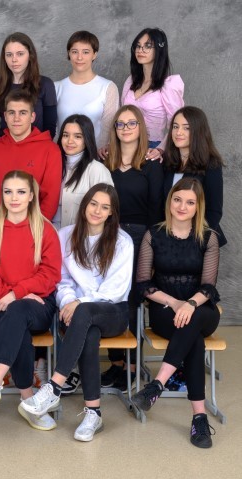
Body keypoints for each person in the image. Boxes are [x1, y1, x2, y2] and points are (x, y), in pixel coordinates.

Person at [20, 184, 133, 442]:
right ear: (85, 205)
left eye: (105, 207)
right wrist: (70, 301)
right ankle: (94, 413)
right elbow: (60, 279)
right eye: (93, 204)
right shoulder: (65, 236)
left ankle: (54, 387)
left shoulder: (122, 241)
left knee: (86, 313)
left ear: (112, 213)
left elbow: (115, 290)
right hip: (75, 313)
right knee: (88, 333)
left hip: (113, 311)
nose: (97, 211)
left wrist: (79, 302)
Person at [0, 171, 61, 432]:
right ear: (2, 195)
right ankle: (29, 401)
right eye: (8, 191)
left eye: (21, 192)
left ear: (31, 196)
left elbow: (51, 274)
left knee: (18, 313)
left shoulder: (45, 229)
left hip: (38, 305)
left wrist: (16, 294)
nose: (14, 197)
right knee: (19, 328)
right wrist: (10, 295)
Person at [132, 178, 220, 449]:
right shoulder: (153, 235)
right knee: (194, 340)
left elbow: (208, 287)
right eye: (178, 199)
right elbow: (143, 284)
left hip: (201, 310)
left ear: (198, 207)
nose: (182, 206)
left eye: (190, 202)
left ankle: (157, 384)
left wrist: (190, 304)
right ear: (170, 201)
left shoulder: (208, 237)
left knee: (194, 321)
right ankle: (199, 418)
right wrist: (174, 302)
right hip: (165, 310)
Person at [101, 105, 164, 391]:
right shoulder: (106, 162)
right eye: (120, 124)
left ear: (140, 127)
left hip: (140, 237)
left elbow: (156, 210)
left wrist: (150, 250)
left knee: (133, 300)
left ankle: (133, 365)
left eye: (131, 123)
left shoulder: (151, 164)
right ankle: (116, 364)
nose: (125, 129)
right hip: (109, 236)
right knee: (111, 298)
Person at [0, 89, 62, 220]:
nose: (16, 118)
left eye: (23, 113)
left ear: (32, 117)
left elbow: (50, 198)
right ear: (5, 116)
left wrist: (35, 227)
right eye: (11, 113)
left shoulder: (50, 150)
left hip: (34, 226)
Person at [162, 106, 226, 246]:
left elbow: (214, 211)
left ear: (198, 131)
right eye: (175, 126)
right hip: (167, 238)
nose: (178, 132)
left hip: (198, 240)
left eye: (187, 128)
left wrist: (193, 242)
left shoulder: (211, 164)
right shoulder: (166, 162)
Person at [119, 27, 184, 160]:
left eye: (147, 46)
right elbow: (121, 115)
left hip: (152, 148)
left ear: (159, 50)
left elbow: (178, 124)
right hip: (124, 144)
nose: (140, 50)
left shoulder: (169, 85)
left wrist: (161, 149)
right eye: (138, 46)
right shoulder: (130, 80)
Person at [54, 31, 119, 150]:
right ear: (69, 54)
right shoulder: (55, 87)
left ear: (94, 54)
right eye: (75, 52)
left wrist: (95, 156)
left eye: (86, 52)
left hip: (96, 155)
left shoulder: (108, 88)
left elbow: (108, 128)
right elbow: (53, 129)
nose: (79, 57)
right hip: (62, 154)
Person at [0, 32, 57, 139]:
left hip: (36, 146)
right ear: (4, 58)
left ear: (30, 55)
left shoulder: (45, 85)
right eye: (9, 54)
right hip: (5, 145)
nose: (14, 59)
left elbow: (50, 128)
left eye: (20, 54)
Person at [53, 114, 113, 229]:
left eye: (77, 136)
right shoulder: (53, 165)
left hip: (80, 235)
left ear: (87, 139)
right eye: (66, 135)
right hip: (50, 232)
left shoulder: (97, 169)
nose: (70, 141)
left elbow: (106, 211)